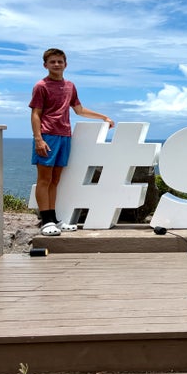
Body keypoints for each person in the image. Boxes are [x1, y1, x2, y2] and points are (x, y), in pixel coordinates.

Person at [30, 48, 114, 236]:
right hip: (47, 135)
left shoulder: (70, 86)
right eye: (52, 62)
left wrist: (103, 117)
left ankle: (53, 220)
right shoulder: (41, 86)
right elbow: (36, 113)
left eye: (60, 61)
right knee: (44, 180)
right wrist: (38, 139)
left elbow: (79, 109)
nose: (57, 65)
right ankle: (45, 222)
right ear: (45, 65)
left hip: (65, 135)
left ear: (65, 64)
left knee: (56, 180)